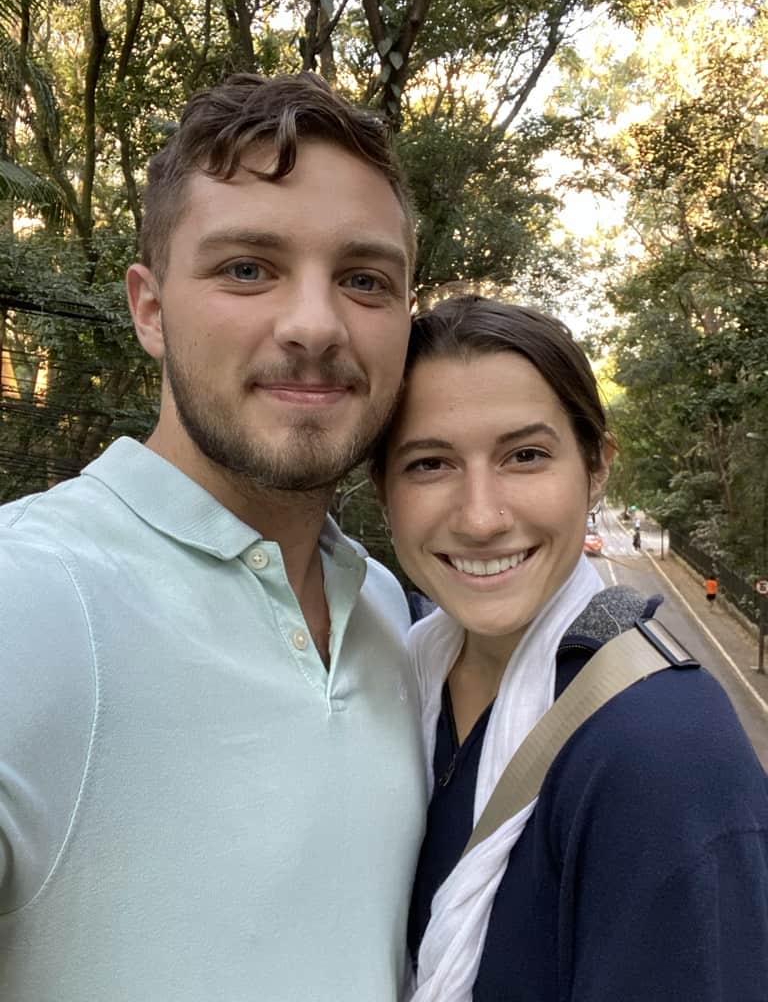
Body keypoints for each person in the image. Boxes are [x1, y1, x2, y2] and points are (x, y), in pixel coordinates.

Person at [0, 72, 427, 1001]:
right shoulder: (25, 598)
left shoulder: (393, 615)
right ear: (149, 309)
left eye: (363, 279)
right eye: (247, 268)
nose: (314, 324)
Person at [372, 295, 768, 1001]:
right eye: (430, 464)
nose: (482, 516)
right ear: (383, 491)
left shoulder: (663, 752)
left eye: (525, 456)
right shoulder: (393, 690)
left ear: (596, 467)